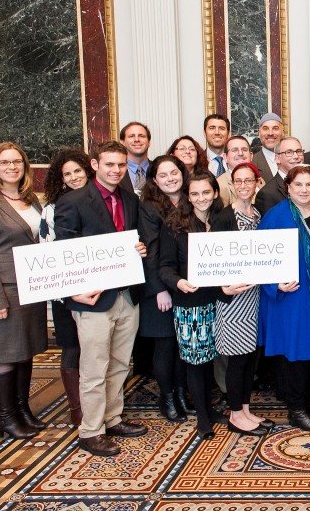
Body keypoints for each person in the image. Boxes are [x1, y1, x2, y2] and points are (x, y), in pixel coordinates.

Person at [56, 141, 148, 457]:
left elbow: (133, 239)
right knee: (95, 366)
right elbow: (63, 252)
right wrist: (72, 292)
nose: (116, 170)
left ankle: (112, 418)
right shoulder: (73, 201)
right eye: (109, 164)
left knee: (121, 363)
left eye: (121, 165)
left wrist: (140, 250)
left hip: (126, 294)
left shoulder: (129, 199)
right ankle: (91, 431)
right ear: (95, 164)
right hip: (92, 299)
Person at [0, 142, 48, 440]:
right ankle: (4, 417)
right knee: (3, 354)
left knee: (24, 350)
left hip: (29, 287)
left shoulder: (32, 201)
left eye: (17, 162)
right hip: (1, 289)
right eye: (4, 162)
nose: (12, 167)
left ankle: (21, 408)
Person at [259, 165, 310, 431]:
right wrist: (275, 285)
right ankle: (296, 408)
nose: (304, 190)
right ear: (288, 187)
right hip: (293, 297)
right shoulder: (276, 216)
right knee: (295, 354)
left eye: (309, 185)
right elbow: (258, 259)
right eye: (298, 185)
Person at [159, 171, 227, 439]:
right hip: (191, 303)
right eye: (195, 193)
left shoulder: (224, 220)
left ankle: (211, 408)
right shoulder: (175, 225)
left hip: (222, 300)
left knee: (215, 359)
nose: (201, 198)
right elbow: (164, 267)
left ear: (215, 193)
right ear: (188, 196)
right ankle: (203, 417)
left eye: (206, 192)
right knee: (197, 362)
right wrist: (178, 282)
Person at [212, 162, 272, 435]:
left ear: (257, 183)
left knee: (250, 357)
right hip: (234, 300)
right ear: (232, 185)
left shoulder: (259, 213)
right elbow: (210, 261)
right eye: (239, 181)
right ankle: (236, 415)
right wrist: (222, 288)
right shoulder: (225, 218)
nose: (244, 185)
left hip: (254, 297)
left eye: (249, 180)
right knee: (237, 359)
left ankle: (246, 409)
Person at [40, 148, 94, 428]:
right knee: (72, 348)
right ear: (60, 179)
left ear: (88, 170)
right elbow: (49, 256)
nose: (74, 177)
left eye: (78, 171)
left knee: (94, 351)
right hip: (67, 293)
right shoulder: (51, 209)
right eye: (67, 174)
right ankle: (77, 409)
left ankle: (96, 406)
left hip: (99, 291)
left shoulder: (100, 202)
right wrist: (68, 291)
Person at [137, 155, 190, 424]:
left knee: (182, 342)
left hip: (185, 285)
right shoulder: (149, 207)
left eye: (174, 173)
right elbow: (150, 250)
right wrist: (160, 289)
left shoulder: (191, 200)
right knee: (165, 343)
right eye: (163, 175)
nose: (170, 178)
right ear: (155, 180)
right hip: (160, 288)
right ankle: (167, 397)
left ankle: (182, 393)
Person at [255, 136, 305, 215]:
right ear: (278, 158)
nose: (296, 156)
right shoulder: (266, 194)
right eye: (289, 152)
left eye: (299, 151)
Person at [119, 121, 151, 195]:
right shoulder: (115, 171)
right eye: (131, 136)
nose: (136, 140)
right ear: (122, 142)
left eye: (141, 136)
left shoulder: (158, 169)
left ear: (149, 142)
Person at [252, 113, 284, 179]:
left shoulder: (294, 159)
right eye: (265, 129)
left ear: (282, 132)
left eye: (275, 128)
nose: (270, 133)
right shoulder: (252, 163)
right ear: (259, 133)